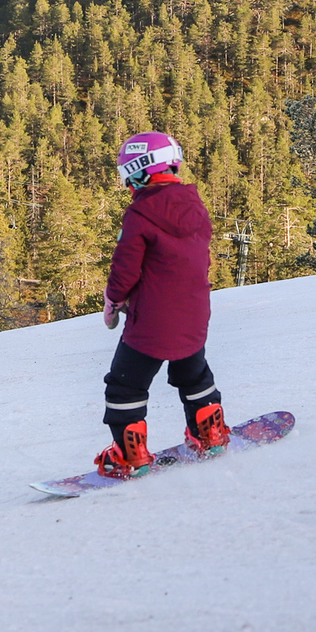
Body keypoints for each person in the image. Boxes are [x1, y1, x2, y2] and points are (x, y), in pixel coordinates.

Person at [95, 131, 231, 479]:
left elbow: (125, 269)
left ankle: (130, 454)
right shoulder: (195, 206)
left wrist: (113, 301)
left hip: (151, 323)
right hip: (194, 314)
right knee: (193, 373)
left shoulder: (140, 214)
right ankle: (210, 433)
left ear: (140, 170)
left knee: (125, 385)